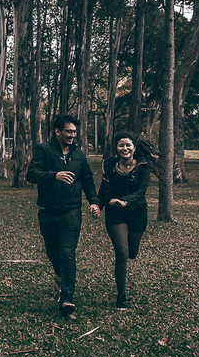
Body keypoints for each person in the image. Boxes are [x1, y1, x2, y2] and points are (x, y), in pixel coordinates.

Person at [26, 114, 100, 316]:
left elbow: (87, 180)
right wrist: (54, 175)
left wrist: (94, 201)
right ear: (57, 132)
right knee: (53, 252)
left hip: (71, 211)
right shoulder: (44, 150)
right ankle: (59, 275)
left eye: (74, 132)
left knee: (67, 253)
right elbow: (31, 174)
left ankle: (67, 298)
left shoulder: (79, 155)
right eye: (69, 131)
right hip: (48, 211)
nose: (72, 135)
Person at [98, 133, 150, 310]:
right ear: (116, 148)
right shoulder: (110, 165)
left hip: (136, 212)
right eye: (121, 145)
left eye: (128, 145)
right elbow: (103, 190)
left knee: (131, 253)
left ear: (134, 148)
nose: (124, 148)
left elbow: (141, 191)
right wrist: (97, 205)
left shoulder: (142, 166)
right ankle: (121, 297)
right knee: (121, 251)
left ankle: (129, 253)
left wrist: (125, 201)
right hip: (115, 213)